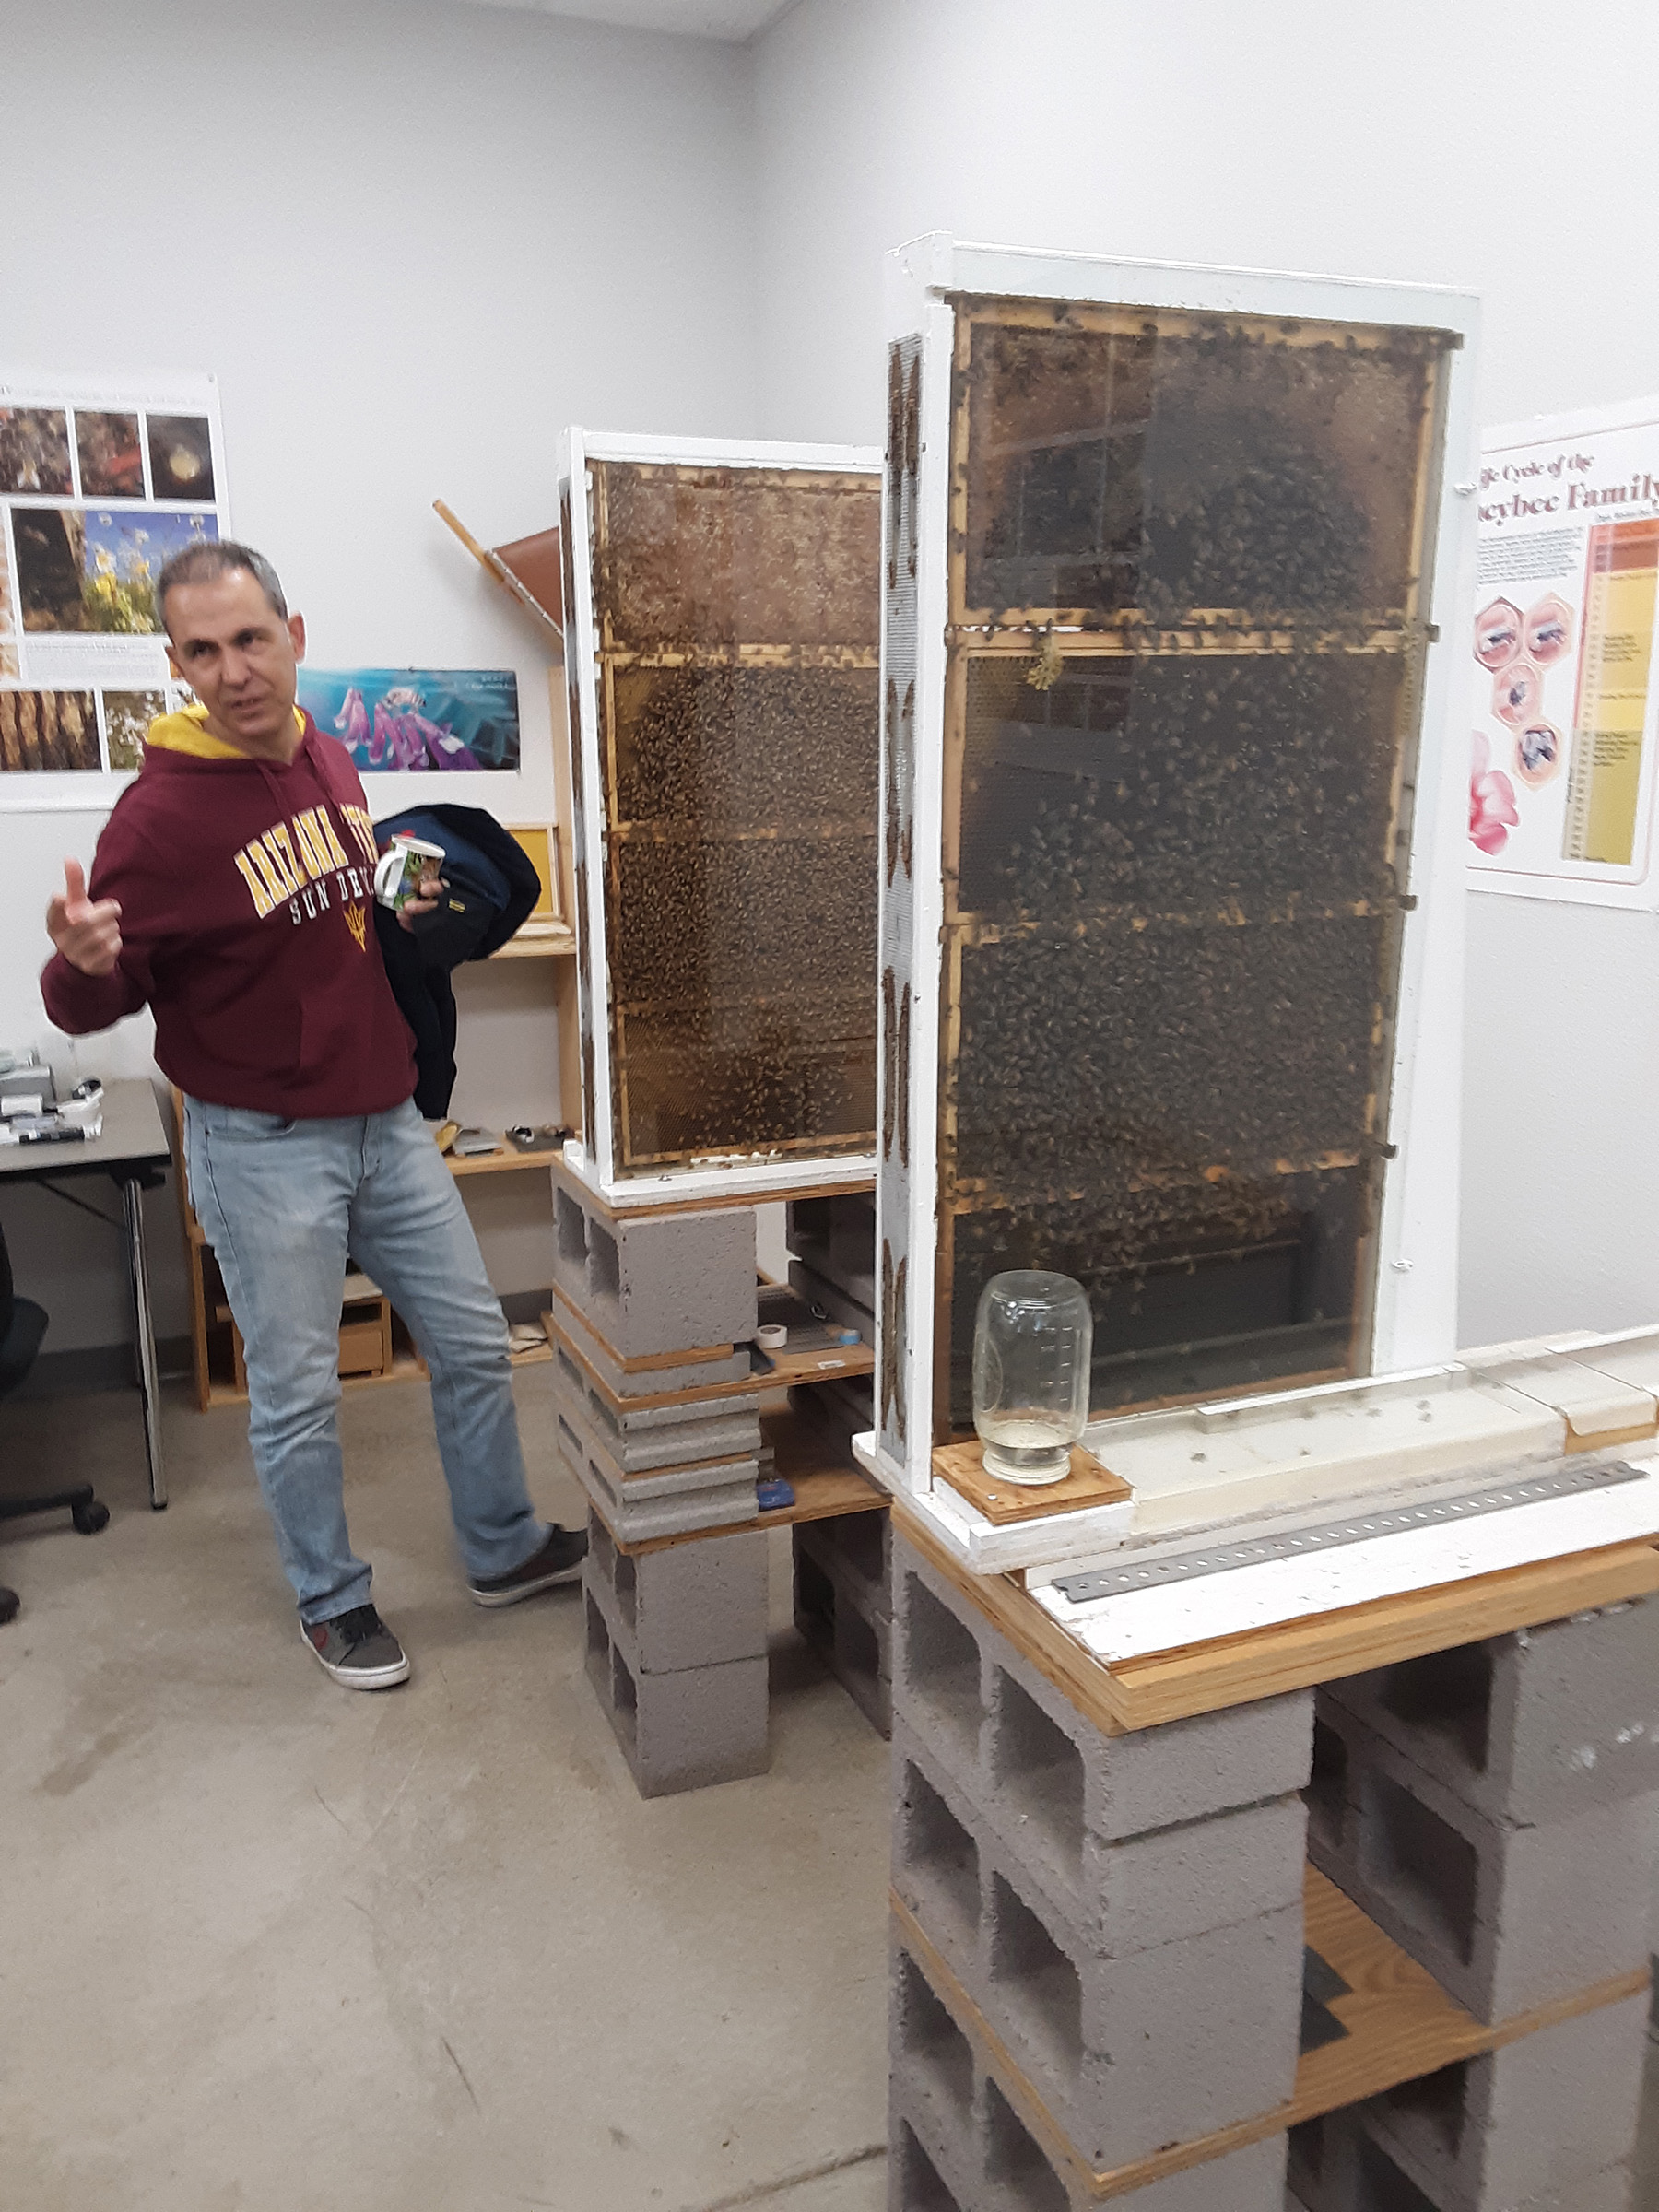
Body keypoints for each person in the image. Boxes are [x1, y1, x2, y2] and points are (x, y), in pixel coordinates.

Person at [39, 541, 585, 1689]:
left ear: (296, 634)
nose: (234, 670)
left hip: (385, 1122)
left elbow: (335, 897)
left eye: (251, 638)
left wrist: (405, 889)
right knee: (296, 1395)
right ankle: (332, 1601)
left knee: (478, 1344)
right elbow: (95, 995)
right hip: (262, 1147)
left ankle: (503, 1547)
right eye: (203, 649)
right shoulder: (157, 820)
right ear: (176, 663)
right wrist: (81, 965)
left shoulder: (329, 755)